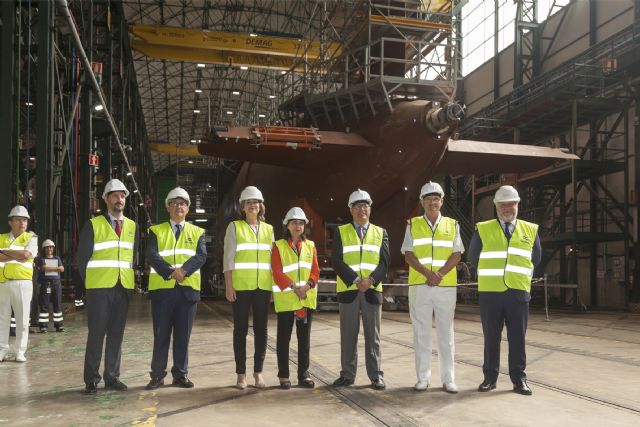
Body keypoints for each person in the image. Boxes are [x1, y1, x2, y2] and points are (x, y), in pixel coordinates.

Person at [467, 185, 541, 396]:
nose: (507, 207)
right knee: (491, 337)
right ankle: (490, 378)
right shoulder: (483, 228)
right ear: (496, 206)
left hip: (517, 292)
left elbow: (536, 258)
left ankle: (519, 380)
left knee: (518, 338)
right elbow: (473, 257)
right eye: (503, 204)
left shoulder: (530, 229)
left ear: (518, 205)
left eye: (511, 203)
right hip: (491, 293)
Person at [77, 178, 138, 394]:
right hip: (99, 290)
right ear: (105, 199)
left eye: (122, 195)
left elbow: (132, 257)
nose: (119, 199)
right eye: (114, 195)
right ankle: (91, 379)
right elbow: (81, 260)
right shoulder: (93, 225)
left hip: (122, 289)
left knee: (116, 335)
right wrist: (92, 286)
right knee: (97, 334)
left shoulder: (131, 226)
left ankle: (112, 377)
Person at [401, 181, 463, 393]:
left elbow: (457, 254)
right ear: (422, 202)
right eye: (428, 199)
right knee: (421, 333)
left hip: (445, 286)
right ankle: (423, 378)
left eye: (435, 199)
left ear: (441, 201)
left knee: (446, 333)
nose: (432, 202)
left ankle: (448, 379)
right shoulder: (413, 224)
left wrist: (439, 275)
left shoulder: (452, 225)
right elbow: (408, 255)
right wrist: (428, 274)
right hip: (420, 285)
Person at [145, 187, 206, 390]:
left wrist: (184, 271)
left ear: (188, 209)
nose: (179, 206)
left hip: (187, 292)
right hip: (162, 291)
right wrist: (172, 272)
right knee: (161, 335)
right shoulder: (156, 230)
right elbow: (152, 255)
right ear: (168, 207)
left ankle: (180, 374)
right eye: (174, 203)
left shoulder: (197, 232)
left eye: (183, 203)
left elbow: (200, 256)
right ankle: (157, 375)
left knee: (182, 336)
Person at [332, 189, 389, 390]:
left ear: (370, 209)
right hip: (349, 290)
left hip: (372, 291)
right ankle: (347, 375)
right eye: (357, 206)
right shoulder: (340, 231)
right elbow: (336, 261)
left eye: (364, 206)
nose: (361, 210)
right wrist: (356, 279)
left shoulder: (381, 233)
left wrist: (370, 280)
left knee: (373, 337)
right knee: (348, 335)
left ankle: (376, 375)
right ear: (350, 209)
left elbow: (385, 262)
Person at [223, 186, 274, 389]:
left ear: (260, 206)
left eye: (256, 202)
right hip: (241, 286)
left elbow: (272, 261)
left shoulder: (269, 229)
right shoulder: (234, 227)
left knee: (262, 330)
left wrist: (272, 288)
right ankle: (241, 374)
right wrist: (229, 286)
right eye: (249, 202)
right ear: (243, 206)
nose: (253, 205)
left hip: (262, 286)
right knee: (240, 330)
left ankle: (258, 373)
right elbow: (228, 259)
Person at [271, 207, 319, 389]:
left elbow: (315, 271)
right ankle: (284, 375)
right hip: (287, 299)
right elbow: (276, 272)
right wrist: (294, 287)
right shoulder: (278, 246)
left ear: (304, 226)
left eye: (300, 223)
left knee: (304, 340)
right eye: (294, 223)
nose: (298, 226)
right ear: (287, 225)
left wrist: (307, 286)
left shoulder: (311, 246)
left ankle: (303, 375)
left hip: (305, 300)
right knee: (284, 339)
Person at [0, 206, 37, 362]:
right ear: (10, 222)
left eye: (25, 220)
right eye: (18, 219)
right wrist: (17, 255)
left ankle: (20, 352)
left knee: (22, 319)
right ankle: (2, 349)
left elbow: (26, 254)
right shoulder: (1, 237)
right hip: (3, 282)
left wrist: (4, 251)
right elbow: (19, 256)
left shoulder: (31, 237)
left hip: (23, 282)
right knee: (2, 319)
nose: (22, 222)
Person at [35, 239, 65, 333]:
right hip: (45, 285)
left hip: (56, 284)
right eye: (47, 247)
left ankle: (59, 325)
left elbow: (62, 269)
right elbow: (44, 268)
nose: (50, 249)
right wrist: (57, 268)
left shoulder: (57, 258)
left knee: (57, 305)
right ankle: (43, 326)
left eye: (51, 247)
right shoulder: (41, 259)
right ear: (44, 249)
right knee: (44, 305)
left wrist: (52, 268)